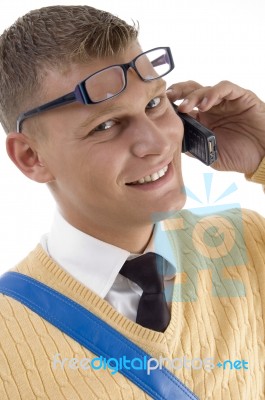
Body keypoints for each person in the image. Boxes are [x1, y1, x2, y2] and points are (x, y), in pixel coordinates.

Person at [0, 5, 264, 400]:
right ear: (31, 158)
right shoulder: (8, 339)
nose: (158, 143)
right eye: (105, 125)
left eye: (154, 104)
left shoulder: (245, 242)